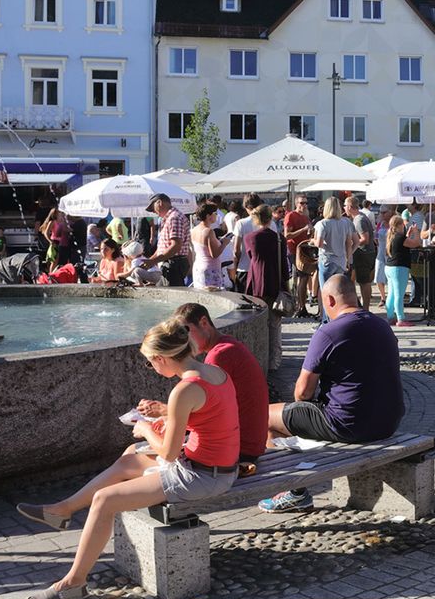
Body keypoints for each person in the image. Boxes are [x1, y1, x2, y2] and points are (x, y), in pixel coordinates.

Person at [17, 319, 239, 599]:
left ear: (161, 358)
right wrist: (164, 415)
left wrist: (146, 427)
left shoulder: (183, 390)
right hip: (218, 465)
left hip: (203, 476)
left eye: (150, 363)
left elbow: (169, 455)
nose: (153, 369)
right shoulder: (214, 371)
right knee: (129, 458)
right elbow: (207, 416)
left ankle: (73, 583)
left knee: (104, 499)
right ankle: (62, 510)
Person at [262, 275, 405, 511]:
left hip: (348, 424)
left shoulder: (329, 332)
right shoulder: (381, 325)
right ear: (354, 296)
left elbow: (303, 392)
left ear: (328, 300)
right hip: (389, 421)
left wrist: (305, 413)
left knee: (264, 417)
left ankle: (293, 490)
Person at [168, 303, 269, 473]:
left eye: (186, 330)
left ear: (204, 322)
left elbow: (209, 415)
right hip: (251, 445)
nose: (184, 339)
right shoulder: (228, 345)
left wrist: (166, 414)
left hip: (239, 451)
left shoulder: (218, 356)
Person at [242, 204, 289, 375]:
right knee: (275, 325)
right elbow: (284, 265)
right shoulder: (279, 239)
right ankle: (274, 362)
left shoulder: (250, 238)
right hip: (275, 283)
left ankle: (258, 358)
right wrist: (286, 285)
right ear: (271, 218)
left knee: (259, 323)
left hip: (256, 284)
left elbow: (251, 258)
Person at [313, 197, 357, 322]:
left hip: (327, 259)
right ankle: (338, 319)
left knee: (326, 293)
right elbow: (349, 242)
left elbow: (319, 243)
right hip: (341, 260)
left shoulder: (322, 223)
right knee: (339, 293)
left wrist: (313, 241)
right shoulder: (345, 222)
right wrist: (348, 259)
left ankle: (326, 321)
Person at [384, 213, 422, 327]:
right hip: (399, 268)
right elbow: (416, 243)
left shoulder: (392, 236)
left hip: (390, 267)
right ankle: (401, 319)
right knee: (399, 295)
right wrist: (415, 232)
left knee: (391, 294)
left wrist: (408, 234)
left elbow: (403, 244)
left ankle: (390, 317)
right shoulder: (400, 237)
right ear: (400, 225)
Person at [144, 194, 190, 287]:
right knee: (163, 292)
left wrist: (153, 261)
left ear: (159, 203)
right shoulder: (169, 218)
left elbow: (176, 246)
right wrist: (151, 260)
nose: (153, 212)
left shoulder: (174, 218)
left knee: (172, 296)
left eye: (153, 208)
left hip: (175, 264)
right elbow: (163, 246)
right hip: (172, 263)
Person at [345, 195, 377, 313]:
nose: (344, 208)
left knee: (364, 282)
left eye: (344, 205)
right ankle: (362, 307)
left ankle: (366, 309)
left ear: (349, 206)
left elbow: (365, 238)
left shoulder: (359, 219)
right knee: (361, 281)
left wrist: (352, 245)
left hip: (364, 253)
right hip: (365, 253)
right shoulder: (359, 217)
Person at [284, 195, 314, 316]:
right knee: (301, 278)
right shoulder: (291, 216)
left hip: (305, 250)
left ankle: (302, 307)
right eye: (302, 203)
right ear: (296, 204)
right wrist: (303, 229)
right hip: (294, 251)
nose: (304, 205)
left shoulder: (306, 217)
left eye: (306, 203)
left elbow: (308, 233)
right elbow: (287, 235)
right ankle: (301, 307)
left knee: (305, 278)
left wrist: (311, 232)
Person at [190, 202, 226, 289]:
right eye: (215, 213)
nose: (217, 216)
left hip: (198, 267)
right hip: (210, 269)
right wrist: (225, 243)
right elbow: (214, 254)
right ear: (208, 216)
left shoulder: (194, 230)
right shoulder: (209, 231)